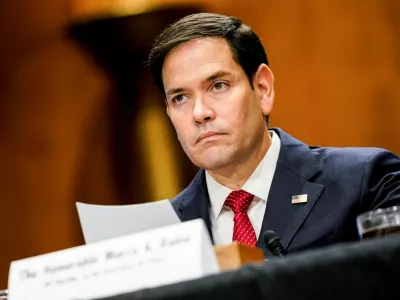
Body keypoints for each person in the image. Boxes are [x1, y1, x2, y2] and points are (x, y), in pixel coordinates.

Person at [148, 13, 400, 256]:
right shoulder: (162, 233)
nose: (200, 112)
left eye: (218, 86)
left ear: (262, 89)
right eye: (180, 98)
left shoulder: (366, 182)